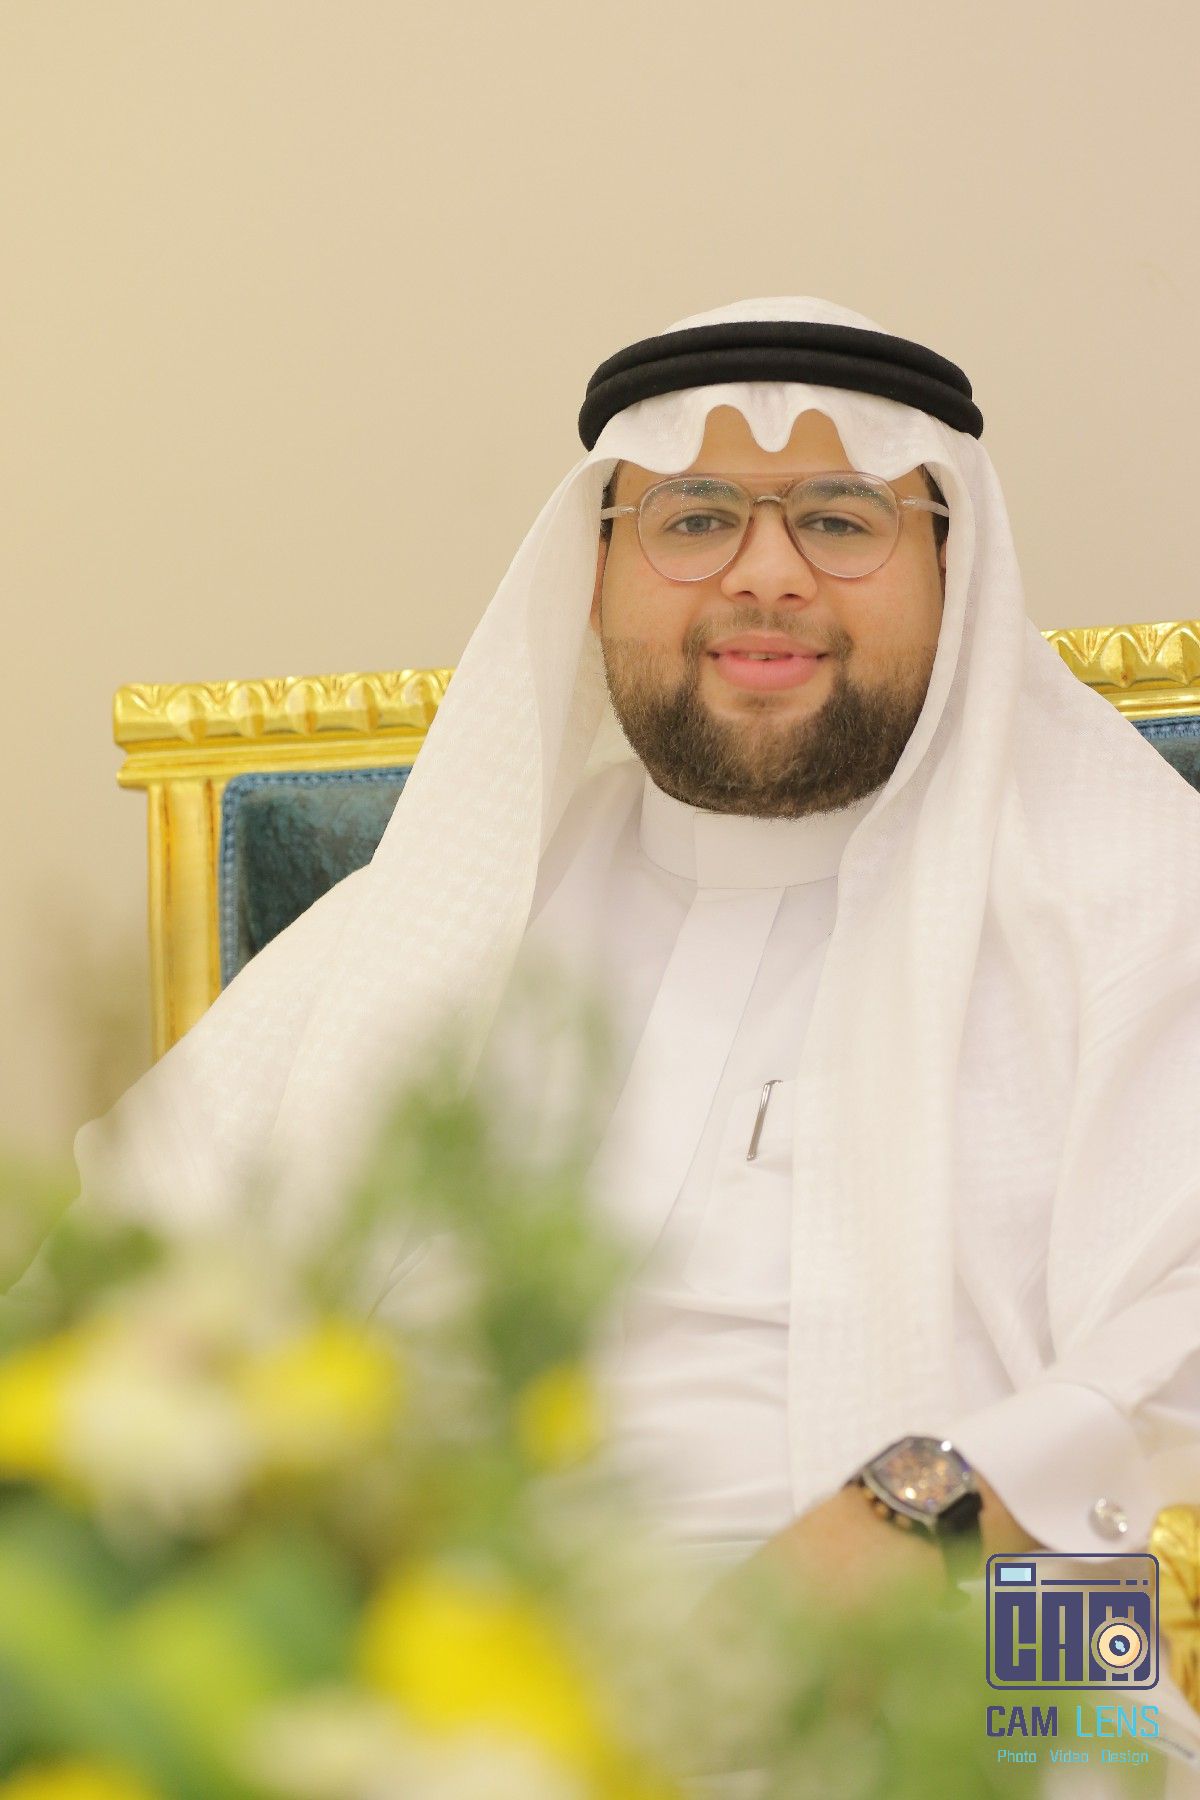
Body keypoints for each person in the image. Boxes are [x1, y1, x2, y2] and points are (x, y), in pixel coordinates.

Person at [30, 297, 1200, 1618]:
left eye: (842, 518)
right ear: (595, 579)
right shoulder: (419, 929)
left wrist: (918, 1519)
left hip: (974, 1640)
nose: (767, 574)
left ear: (954, 572)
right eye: (693, 520)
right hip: (445, 1664)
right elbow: (111, 1280)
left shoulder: (1135, 905)